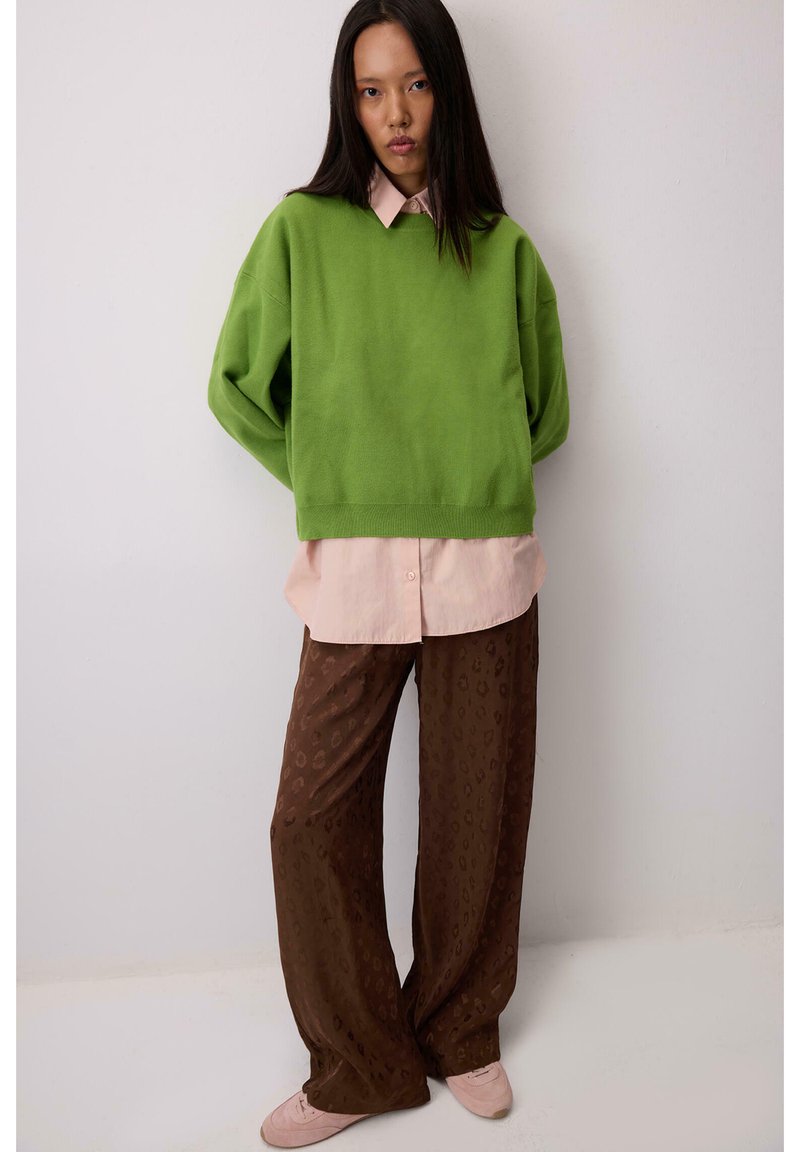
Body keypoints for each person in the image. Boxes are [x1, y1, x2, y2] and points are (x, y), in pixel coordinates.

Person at [207, 0, 570, 1145]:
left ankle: (459, 1028)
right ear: (347, 104)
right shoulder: (301, 232)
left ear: (445, 92)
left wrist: (467, 477)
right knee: (308, 819)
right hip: (355, 569)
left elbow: (545, 415)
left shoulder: (502, 248)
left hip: (484, 568)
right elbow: (235, 387)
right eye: (369, 90)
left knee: (476, 816)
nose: (394, 113)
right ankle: (361, 1062)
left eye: (413, 84)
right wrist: (331, 477)